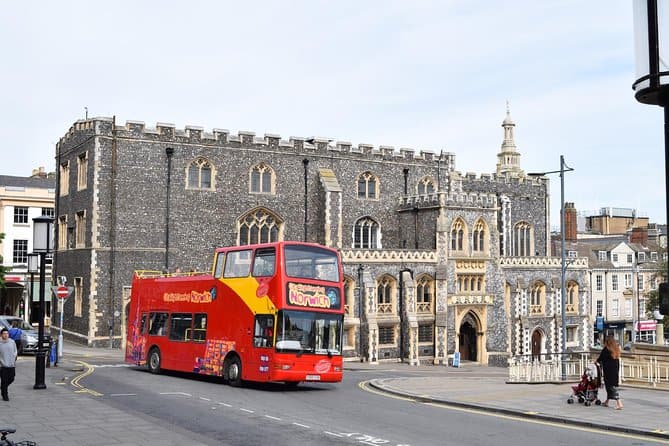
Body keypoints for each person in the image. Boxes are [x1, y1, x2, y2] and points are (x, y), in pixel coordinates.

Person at [596, 335, 623, 410]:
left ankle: (619, 403)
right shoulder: (616, 349)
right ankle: (607, 402)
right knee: (610, 386)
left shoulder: (606, 349)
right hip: (615, 370)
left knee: (611, 387)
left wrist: (596, 361)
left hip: (608, 371)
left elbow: (600, 358)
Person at [0, 327, 18, 401]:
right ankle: (5, 395)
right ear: (1, 335)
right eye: (4, 334)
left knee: (11, 378)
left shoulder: (12, 342)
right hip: (2, 366)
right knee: (4, 380)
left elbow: (15, 351)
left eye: (7, 333)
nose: (6, 335)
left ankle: (2, 388)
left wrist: (14, 359)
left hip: (11, 365)